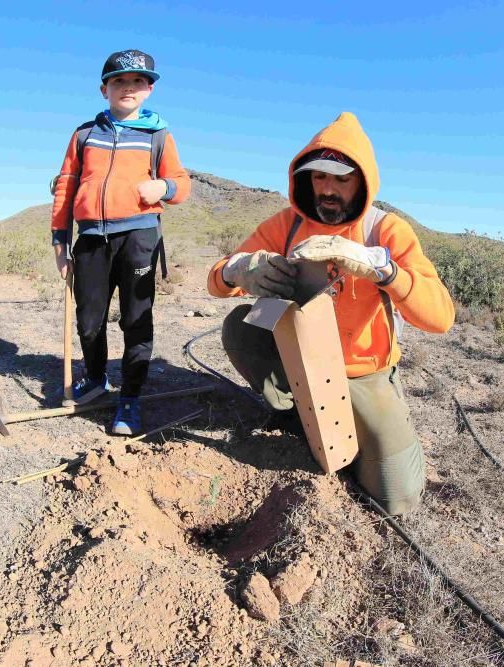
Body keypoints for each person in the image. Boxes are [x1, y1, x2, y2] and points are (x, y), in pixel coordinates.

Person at [206, 112, 455, 515]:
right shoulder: (286, 225)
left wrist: (384, 270)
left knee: (396, 497)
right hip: (300, 359)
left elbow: (440, 317)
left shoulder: (385, 231)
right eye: (319, 177)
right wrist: (239, 270)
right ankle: (293, 416)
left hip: (361, 374)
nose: (328, 190)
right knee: (241, 326)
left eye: (341, 179)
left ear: (363, 181)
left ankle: (359, 428)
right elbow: (218, 280)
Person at [50, 49, 190, 435]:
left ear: (148, 89)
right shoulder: (83, 135)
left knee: (135, 320)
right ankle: (96, 379)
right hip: (92, 238)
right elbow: (65, 187)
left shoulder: (158, 135)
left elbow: (182, 184)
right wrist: (60, 243)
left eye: (136, 82)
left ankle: (129, 398)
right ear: (104, 89)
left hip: (139, 236)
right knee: (89, 320)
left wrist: (164, 186)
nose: (127, 87)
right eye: (119, 81)